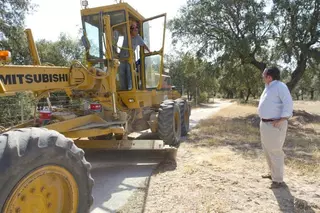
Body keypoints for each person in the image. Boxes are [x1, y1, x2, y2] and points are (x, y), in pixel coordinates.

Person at [258, 66, 293, 189]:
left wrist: (282, 119)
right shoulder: (268, 87)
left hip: (274, 124)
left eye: (264, 75)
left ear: (269, 76)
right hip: (265, 123)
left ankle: (278, 180)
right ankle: (272, 173)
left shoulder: (280, 87)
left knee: (275, 151)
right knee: (267, 150)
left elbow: (288, 104)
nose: (262, 77)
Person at [118, 20, 150, 90]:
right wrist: (129, 23)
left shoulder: (138, 38)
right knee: (121, 73)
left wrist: (149, 51)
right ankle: (123, 89)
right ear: (130, 30)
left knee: (130, 73)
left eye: (137, 28)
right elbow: (124, 28)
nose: (136, 30)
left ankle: (130, 88)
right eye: (133, 28)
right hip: (122, 59)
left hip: (130, 59)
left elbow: (144, 45)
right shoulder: (127, 35)